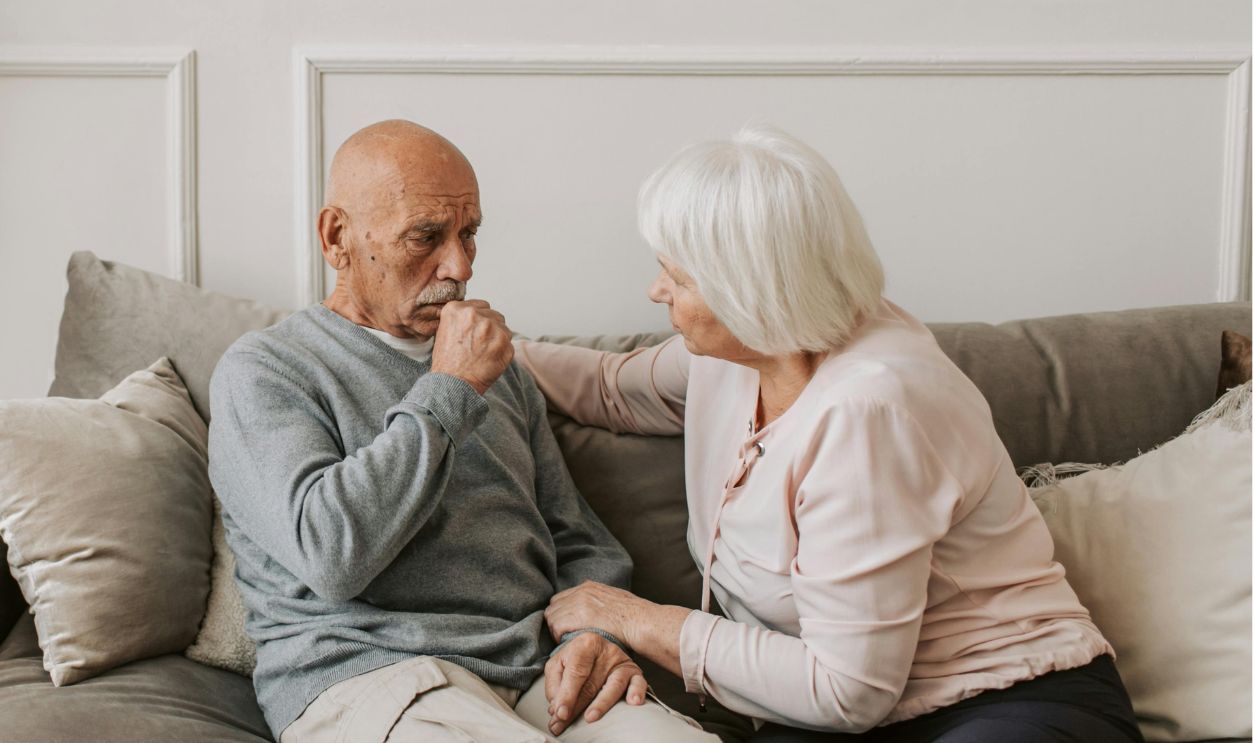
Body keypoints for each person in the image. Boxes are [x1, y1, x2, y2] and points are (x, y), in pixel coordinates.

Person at [514, 124, 1146, 742]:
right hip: (820, 715)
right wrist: (472, 347)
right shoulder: (740, 354)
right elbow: (610, 389)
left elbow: (847, 692)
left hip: (1004, 702)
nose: (656, 291)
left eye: (677, 279)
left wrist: (633, 618)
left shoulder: (869, 409)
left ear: (748, 290)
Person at [207, 119, 717, 743]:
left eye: (468, 234)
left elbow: (579, 541)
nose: (459, 266)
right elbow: (331, 554)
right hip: (375, 678)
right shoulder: (266, 371)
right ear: (337, 236)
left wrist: (592, 634)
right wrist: (452, 388)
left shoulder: (497, 368)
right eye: (426, 237)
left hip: (537, 671)